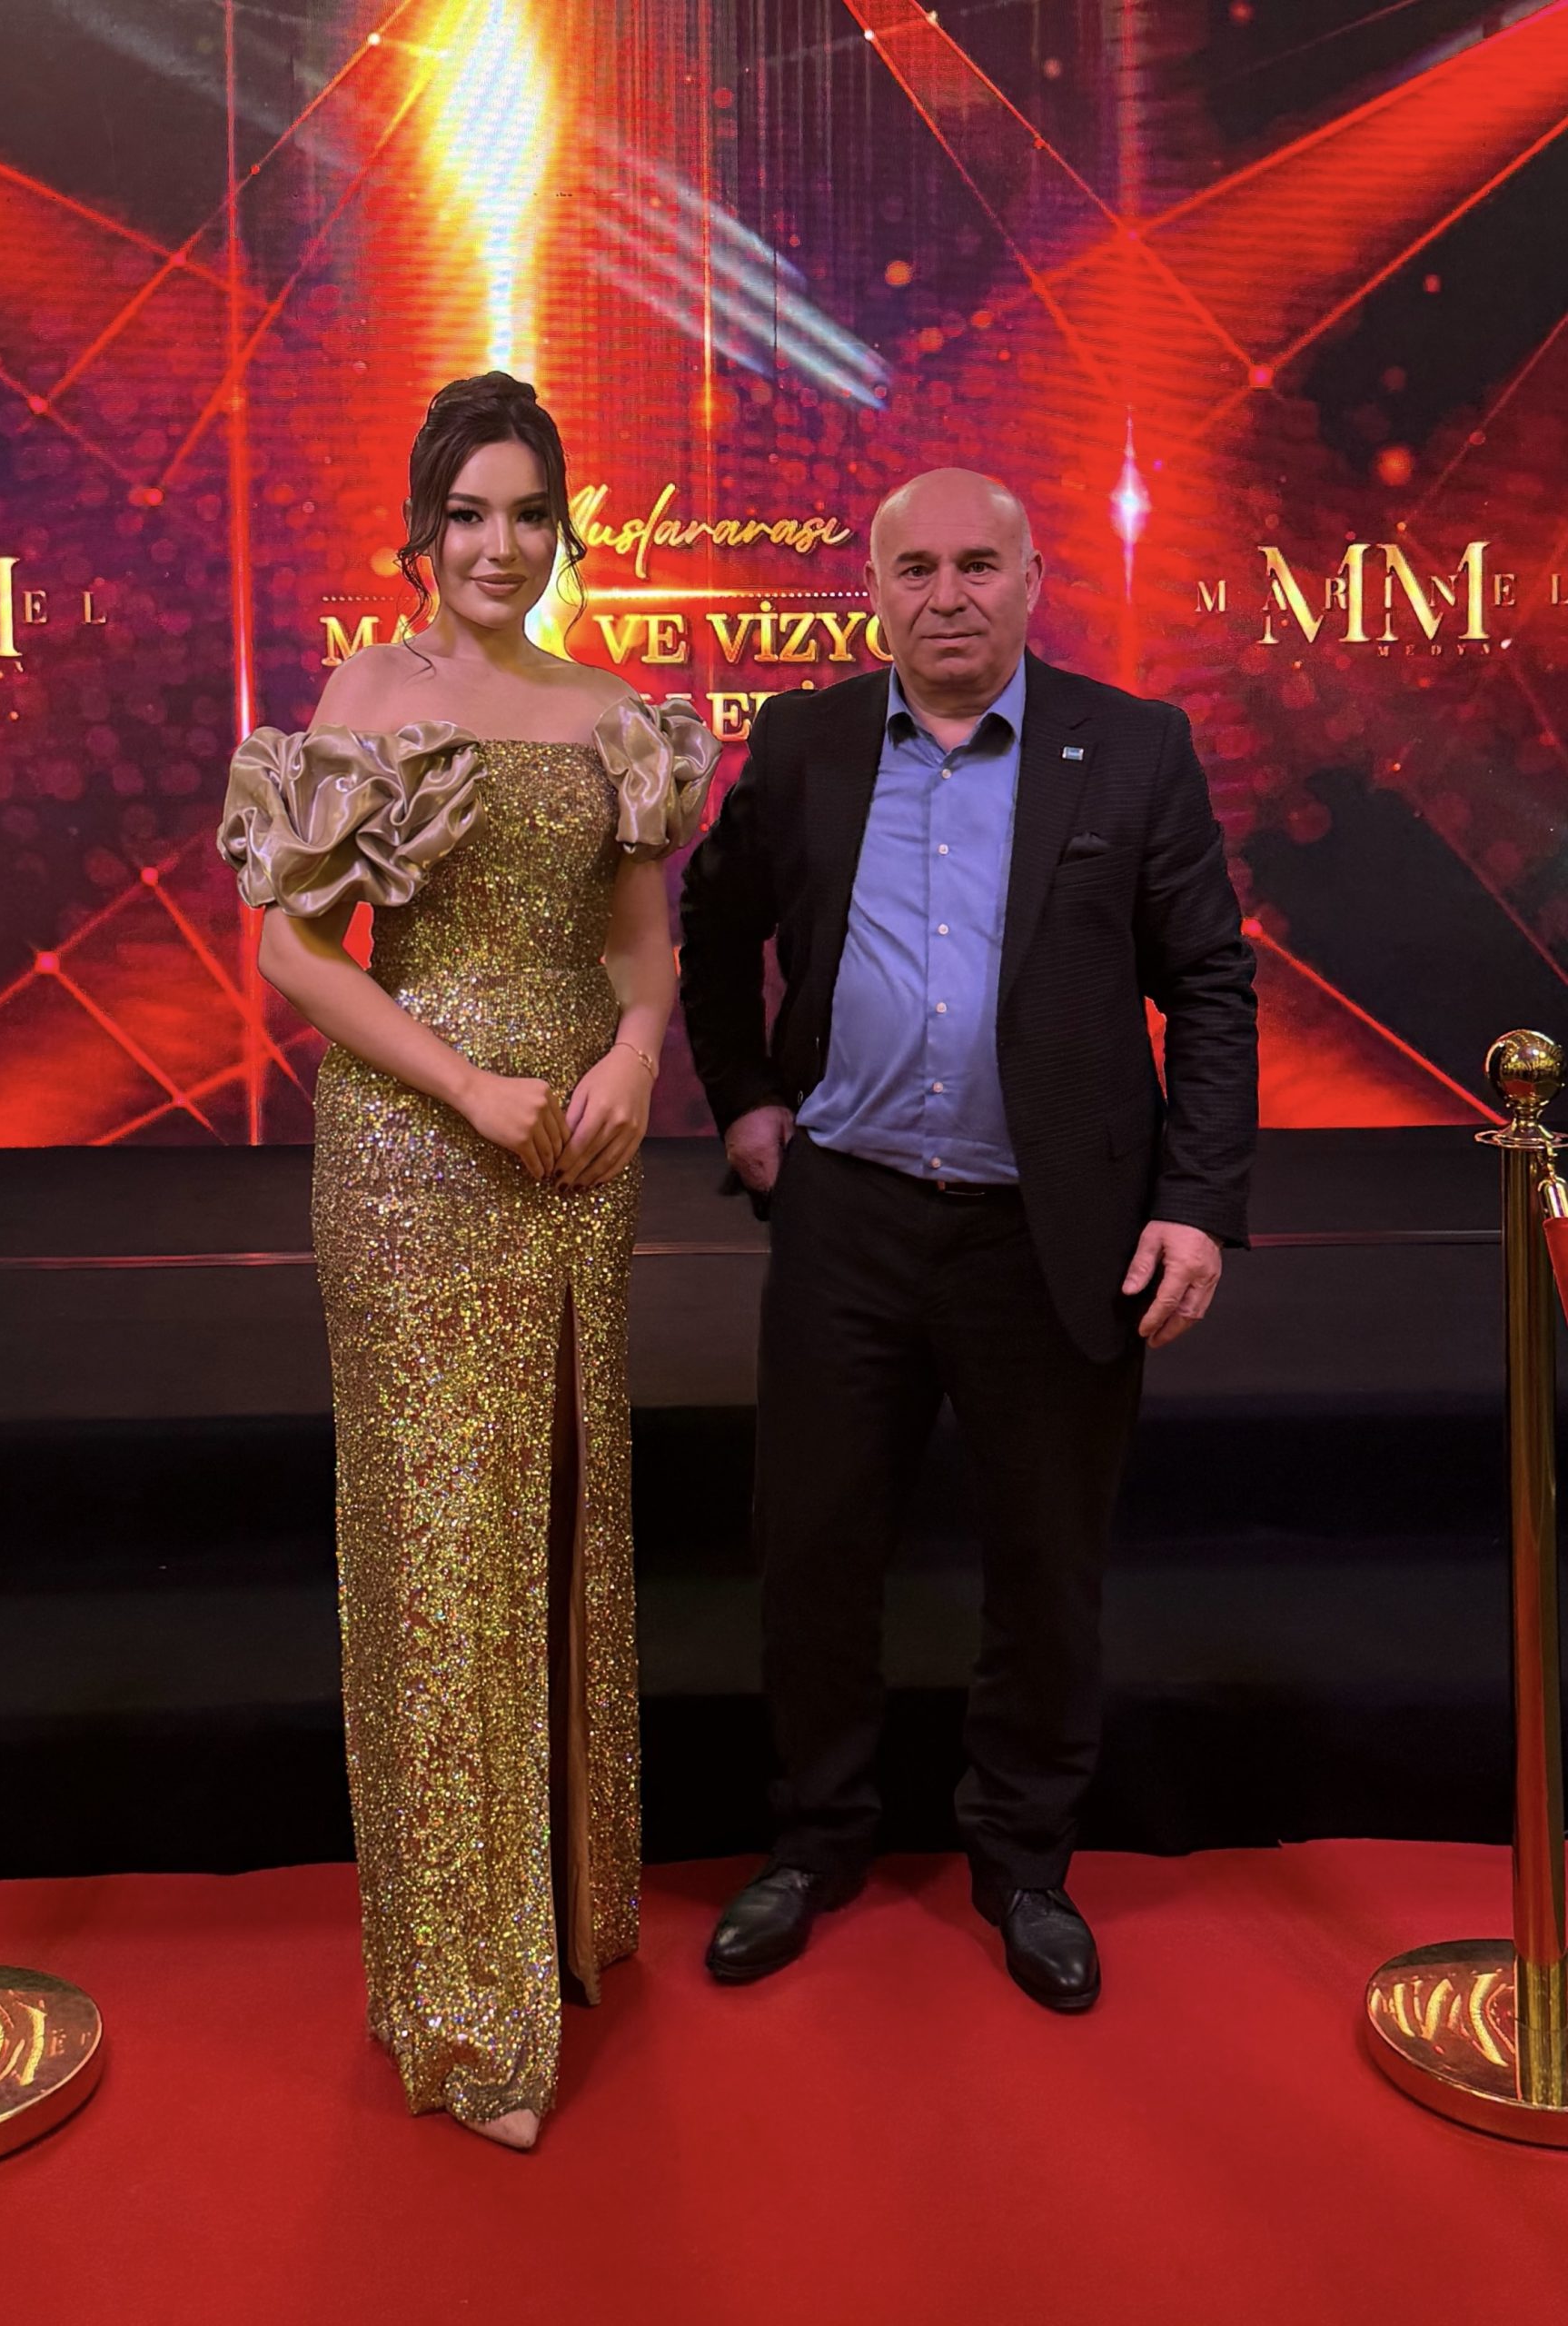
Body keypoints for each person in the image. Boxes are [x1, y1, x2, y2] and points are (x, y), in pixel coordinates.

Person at [679, 468, 1257, 2009]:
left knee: (1047, 1560)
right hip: (848, 1215)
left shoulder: (1132, 748)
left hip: (1053, 1232)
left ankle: (1023, 1860)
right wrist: (744, 1098)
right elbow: (713, 931)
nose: (948, 596)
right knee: (813, 1545)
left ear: (1032, 580)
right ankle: (816, 1840)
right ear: (872, 591)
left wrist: (1195, 1203)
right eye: (917, 568)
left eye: (979, 566)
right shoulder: (802, 744)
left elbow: (1209, 986)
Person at [218, 373, 718, 2149]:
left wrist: (632, 1058)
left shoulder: (613, 714)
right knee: (442, 1553)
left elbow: (644, 950)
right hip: (413, 1153)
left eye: (529, 515)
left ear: (562, 531)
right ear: (421, 531)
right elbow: (295, 955)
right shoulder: (366, 694)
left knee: (560, 1515)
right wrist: (467, 1085)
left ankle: (565, 1920)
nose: (500, 547)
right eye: (469, 514)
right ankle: (462, 2000)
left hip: (577, 1154)